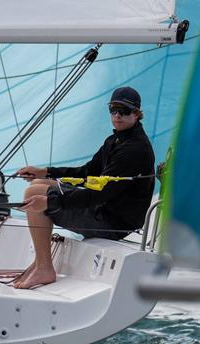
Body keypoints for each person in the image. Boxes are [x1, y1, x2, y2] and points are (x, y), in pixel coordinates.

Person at [14, 86, 155, 289]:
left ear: (137, 114)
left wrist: (50, 202)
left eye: (124, 111)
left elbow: (99, 194)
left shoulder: (133, 149)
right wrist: (44, 172)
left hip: (111, 222)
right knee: (38, 184)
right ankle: (39, 263)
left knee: (35, 193)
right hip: (104, 210)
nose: (117, 116)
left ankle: (44, 268)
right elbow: (87, 171)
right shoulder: (115, 140)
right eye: (113, 110)